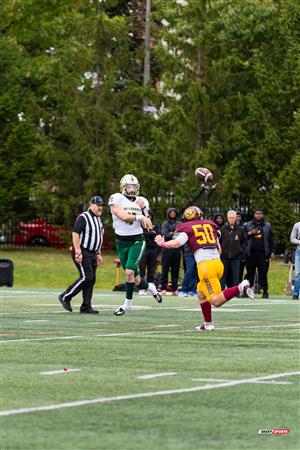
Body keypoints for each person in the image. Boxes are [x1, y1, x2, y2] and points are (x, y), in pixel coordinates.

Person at [155, 206, 254, 331]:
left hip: (206, 266)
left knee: (216, 301)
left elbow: (176, 243)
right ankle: (208, 323)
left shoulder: (188, 228)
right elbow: (219, 249)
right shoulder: (211, 226)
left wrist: (161, 243)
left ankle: (241, 287)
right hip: (217, 263)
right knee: (201, 292)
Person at [109, 174, 162, 315]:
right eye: (129, 187)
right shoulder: (116, 198)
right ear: (123, 187)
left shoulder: (142, 200)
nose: (131, 189)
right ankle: (151, 289)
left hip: (137, 240)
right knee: (136, 280)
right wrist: (140, 216)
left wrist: (144, 210)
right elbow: (122, 216)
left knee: (129, 271)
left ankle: (127, 304)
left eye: (134, 187)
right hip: (121, 242)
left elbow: (148, 223)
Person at [58, 196, 105, 314]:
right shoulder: (83, 217)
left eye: (101, 206)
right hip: (82, 251)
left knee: (91, 279)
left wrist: (98, 253)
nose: (100, 208)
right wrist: (78, 251)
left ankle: (86, 306)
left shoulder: (98, 220)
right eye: (98, 205)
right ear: (91, 204)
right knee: (86, 277)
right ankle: (65, 296)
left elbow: (99, 237)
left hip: (93, 253)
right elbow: (75, 234)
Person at [245, 209, 275, 298]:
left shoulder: (267, 225)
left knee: (263, 274)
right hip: (251, 253)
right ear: (254, 215)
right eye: (257, 213)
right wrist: (250, 233)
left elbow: (272, 240)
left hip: (263, 254)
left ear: (262, 215)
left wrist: (273, 251)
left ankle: (265, 291)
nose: (258, 215)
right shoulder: (248, 225)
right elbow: (243, 237)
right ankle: (246, 291)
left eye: (260, 214)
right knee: (250, 274)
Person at [219, 210, 246, 289]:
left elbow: (244, 242)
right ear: (227, 218)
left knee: (236, 276)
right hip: (224, 257)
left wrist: (240, 250)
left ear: (235, 218)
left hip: (236, 257)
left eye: (233, 218)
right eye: (230, 218)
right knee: (222, 276)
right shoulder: (222, 229)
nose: (232, 219)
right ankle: (221, 292)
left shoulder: (240, 229)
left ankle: (235, 293)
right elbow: (218, 242)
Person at [160, 208, 181, 295]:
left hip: (177, 249)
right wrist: (172, 234)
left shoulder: (179, 223)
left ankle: (174, 288)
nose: (172, 214)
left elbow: (180, 234)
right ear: (168, 214)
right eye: (171, 213)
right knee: (165, 269)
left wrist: (171, 233)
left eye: (174, 212)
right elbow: (164, 234)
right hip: (167, 249)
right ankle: (164, 288)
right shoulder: (165, 223)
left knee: (175, 270)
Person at [138, 210, 160, 295]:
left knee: (152, 269)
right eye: (147, 216)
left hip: (153, 249)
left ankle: (151, 287)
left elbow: (158, 234)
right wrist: (150, 233)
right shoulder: (140, 225)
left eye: (150, 216)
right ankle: (142, 287)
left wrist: (149, 233)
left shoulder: (155, 225)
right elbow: (141, 235)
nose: (148, 217)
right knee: (142, 268)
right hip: (143, 248)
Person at [290, 221, 300, 300]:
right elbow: (292, 238)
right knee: (297, 273)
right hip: (299, 252)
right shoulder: (297, 225)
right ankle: (296, 293)